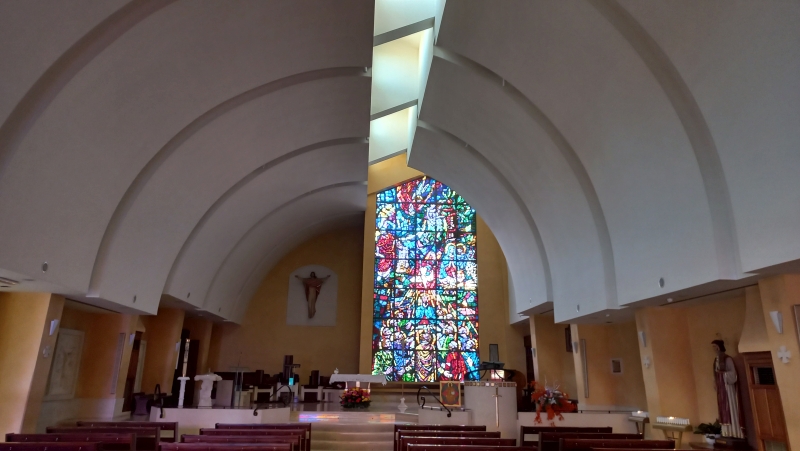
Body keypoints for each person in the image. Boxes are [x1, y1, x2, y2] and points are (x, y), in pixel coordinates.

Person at [712, 339, 744, 438]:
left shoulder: (727, 359)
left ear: (719, 347)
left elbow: (733, 374)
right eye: (713, 347)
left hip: (728, 388)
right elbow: (715, 374)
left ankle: (734, 431)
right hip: (721, 389)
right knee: (723, 409)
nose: (714, 349)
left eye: (715, 347)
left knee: (730, 408)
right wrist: (716, 382)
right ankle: (726, 432)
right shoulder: (716, 360)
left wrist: (723, 375)